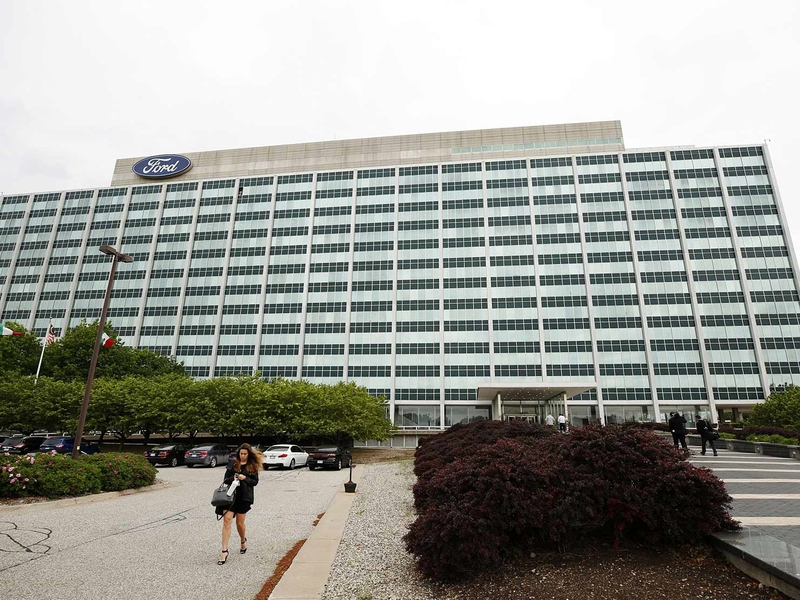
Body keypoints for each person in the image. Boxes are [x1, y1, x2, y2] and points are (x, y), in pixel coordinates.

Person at [217, 443, 262, 565]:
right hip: (230, 497)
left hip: (244, 498)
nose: (242, 456)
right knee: (227, 521)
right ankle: (224, 551)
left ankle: (243, 540)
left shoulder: (252, 465)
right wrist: (234, 477)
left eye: (245, 454)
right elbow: (225, 479)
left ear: (249, 454)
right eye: (241, 453)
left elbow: (255, 482)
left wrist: (244, 478)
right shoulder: (233, 463)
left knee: (240, 524)